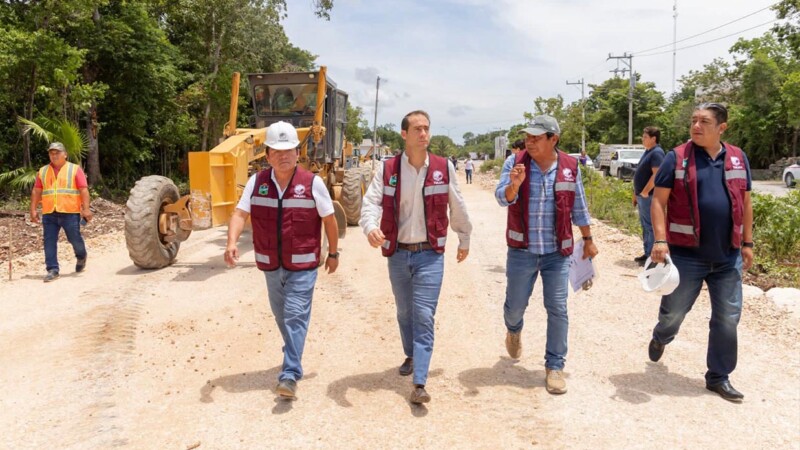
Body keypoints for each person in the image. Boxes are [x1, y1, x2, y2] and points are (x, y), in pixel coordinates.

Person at [360, 110, 472, 405]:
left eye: (427, 128)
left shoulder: (443, 167)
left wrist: (464, 236)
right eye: (417, 129)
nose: (424, 134)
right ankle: (411, 353)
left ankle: (419, 381)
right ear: (404, 134)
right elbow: (370, 203)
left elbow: (456, 205)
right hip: (397, 254)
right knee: (405, 313)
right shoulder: (388, 169)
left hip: (430, 254)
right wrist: (371, 227)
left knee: (424, 315)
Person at [224, 121, 340, 400]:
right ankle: (293, 351)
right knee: (282, 316)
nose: (284, 155)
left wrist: (334, 253)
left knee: (295, 316)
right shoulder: (257, 182)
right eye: (277, 150)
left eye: (289, 150)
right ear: (267, 155)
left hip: (303, 266)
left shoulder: (313, 183)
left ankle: (289, 375)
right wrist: (230, 243)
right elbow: (240, 214)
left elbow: (330, 220)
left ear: (298, 153)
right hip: (270, 265)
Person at [648, 103, 753, 403]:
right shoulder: (677, 157)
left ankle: (718, 376)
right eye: (694, 120)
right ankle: (662, 335)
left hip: (727, 256)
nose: (696, 126)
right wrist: (659, 240)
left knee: (727, 318)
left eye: (704, 121)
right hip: (686, 255)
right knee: (674, 312)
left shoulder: (737, 157)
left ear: (722, 127)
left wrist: (748, 243)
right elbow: (658, 201)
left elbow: (745, 203)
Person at [495, 115, 599, 395]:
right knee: (515, 306)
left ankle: (554, 366)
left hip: (557, 253)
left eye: (536, 137)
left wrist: (588, 239)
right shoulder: (515, 163)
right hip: (522, 251)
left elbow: (579, 206)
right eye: (527, 136)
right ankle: (513, 330)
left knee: (557, 308)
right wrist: (514, 185)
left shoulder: (569, 166)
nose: (529, 141)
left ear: (554, 139)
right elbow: (500, 197)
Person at [30, 142, 93, 282]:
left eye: (57, 153)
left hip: (70, 212)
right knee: (49, 241)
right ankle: (52, 269)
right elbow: (37, 191)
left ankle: (81, 256)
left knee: (74, 238)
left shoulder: (74, 169)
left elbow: (83, 189)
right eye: (51, 153)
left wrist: (86, 209)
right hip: (49, 212)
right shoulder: (43, 171)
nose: (54, 155)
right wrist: (33, 209)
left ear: (65, 154)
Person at [632, 127, 665, 266]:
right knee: (645, 226)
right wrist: (636, 194)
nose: (642, 139)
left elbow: (656, 174)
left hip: (650, 196)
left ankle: (653, 258)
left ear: (653, 138)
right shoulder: (648, 152)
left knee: (651, 226)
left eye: (645, 137)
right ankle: (647, 253)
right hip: (642, 196)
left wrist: (645, 191)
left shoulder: (657, 153)